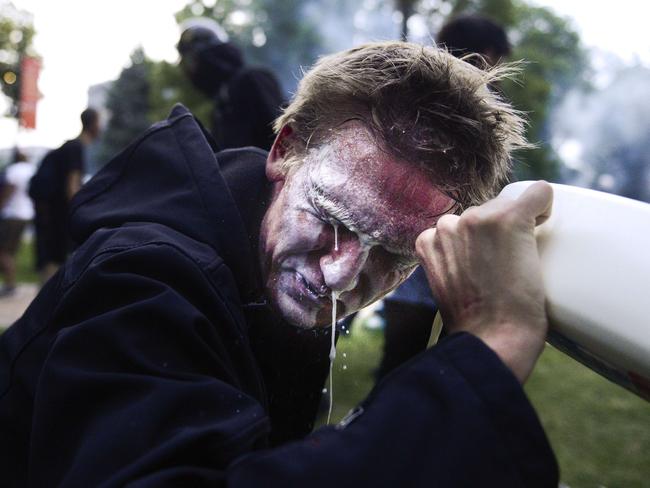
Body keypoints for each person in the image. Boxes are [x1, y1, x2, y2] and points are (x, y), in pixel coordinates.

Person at [0, 42, 558, 486]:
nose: (340, 275)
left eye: (394, 254)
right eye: (333, 218)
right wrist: (489, 350)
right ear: (285, 149)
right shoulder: (141, 281)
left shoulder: (265, 267)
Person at [374, 14, 514, 379]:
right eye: (497, 58)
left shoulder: (409, 91)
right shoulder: (484, 110)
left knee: (404, 354)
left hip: (407, 239)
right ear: (485, 55)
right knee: (448, 354)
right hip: (449, 243)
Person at [177, 17, 285, 151]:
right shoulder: (220, 105)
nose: (190, 70)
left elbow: (284, 134)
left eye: (192, 59)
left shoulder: (252, 79)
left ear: (204, 54)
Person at [31, 107, 100, 283]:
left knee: (52, 257)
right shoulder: (76, 148)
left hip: (51, 212)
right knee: (55, 259)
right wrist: (82, 213)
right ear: (92, 124)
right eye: (100, 122)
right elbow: (72, 186)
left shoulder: (70, 146)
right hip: (58, 215)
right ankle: (49, 305)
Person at [0, 148, 34, 297]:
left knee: (4, 251)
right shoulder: (31, 169)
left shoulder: (14, 170)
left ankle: (10, 284)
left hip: (12, 213)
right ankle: (10, 283)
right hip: (27, 213)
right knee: (10, 252)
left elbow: (9, 191)